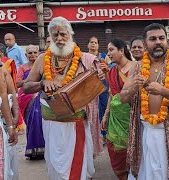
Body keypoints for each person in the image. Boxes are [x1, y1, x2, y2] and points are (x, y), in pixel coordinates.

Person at [22, 16, 104, 179]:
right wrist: (43, 83)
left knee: (76, 167)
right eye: (55, 35)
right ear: (50, 37)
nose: (59, 39)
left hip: (76, 123)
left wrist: (100, 73)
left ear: (70, 34)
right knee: (55, 164)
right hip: (51, 123)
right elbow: (26, 86)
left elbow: (97, 81)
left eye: (63, 34)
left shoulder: (84, 59)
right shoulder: (41, 59)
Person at [120, 23, 169, 179]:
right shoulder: (136, 67)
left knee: (167, 173)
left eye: (161, 38)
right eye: (153, 39)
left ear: (167, 41)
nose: (158, 42)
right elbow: (123, 98)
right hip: (143, 131)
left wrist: (163, 91)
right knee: (145, 174)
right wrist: (133, 87)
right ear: (146, 44)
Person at [100, 38, 134, 180]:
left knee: (134, 153)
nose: (108, 54)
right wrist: (106, 114)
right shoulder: (112, 71)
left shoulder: (135, 67)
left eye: (111, 50)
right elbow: (112, 95)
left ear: (121, 50)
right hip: (115, 119)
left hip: (132, 118)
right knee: (115, 150)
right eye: (108, 50)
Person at [16, 45, 45, 160]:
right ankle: (34, 149)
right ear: (25, 55)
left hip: (40, 94)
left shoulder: (43, 65)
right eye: (30, 53)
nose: (32, 55)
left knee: (40, 119)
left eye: (35, 53)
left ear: (38, 54)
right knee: (34, 117)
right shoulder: (23, 67)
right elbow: (18, 83)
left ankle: (43, 147)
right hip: (26, 96)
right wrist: (32, 82)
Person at [0, 52, 19, 180]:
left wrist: (11, 124)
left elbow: (5, 95)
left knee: (4, 166)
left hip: (2, 123)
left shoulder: (1, 70)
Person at [87, 35, 106, 155]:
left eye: (95, 42)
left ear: (98, 45)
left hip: (102, 88)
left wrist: (105, 69)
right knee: (92, 115)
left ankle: (102, 135)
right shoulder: (84, 58)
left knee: (103, 110)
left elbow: (109, 70)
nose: (93, 44)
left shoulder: (103, 57)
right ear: (88, 45)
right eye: (91, 42)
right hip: (89, 90)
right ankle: (92, 139)